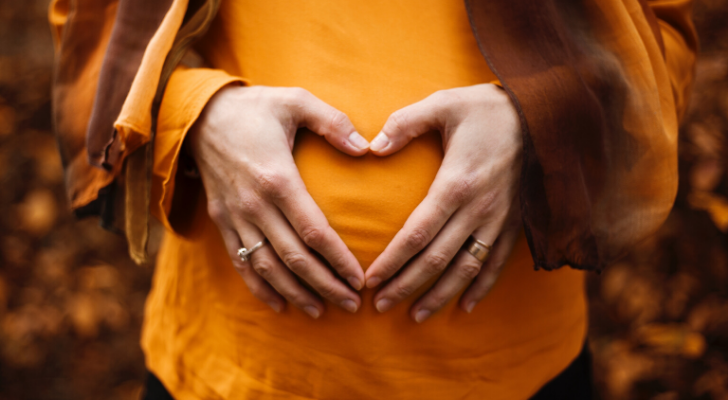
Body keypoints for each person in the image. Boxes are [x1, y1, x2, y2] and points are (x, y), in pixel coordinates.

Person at [50, 0, 697, 398]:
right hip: (229, 372)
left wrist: (538, 123)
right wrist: (194, 116)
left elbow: (659, 41)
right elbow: (95, 27)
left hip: (512, 376)